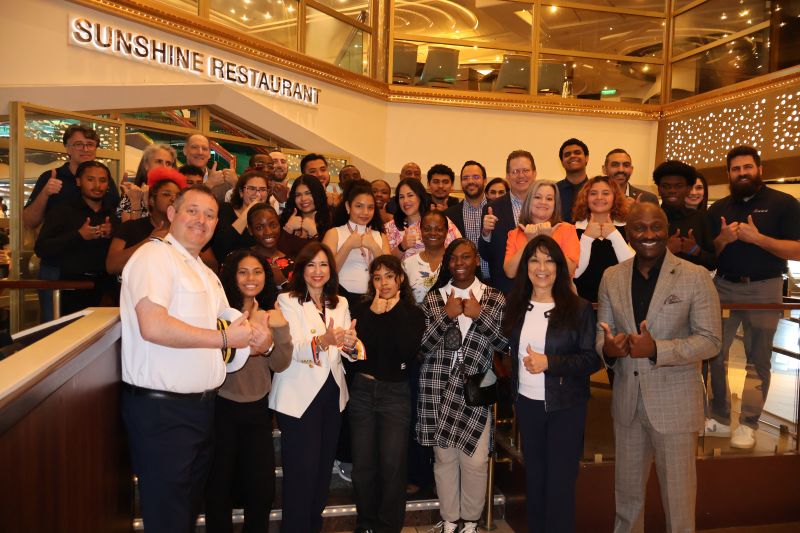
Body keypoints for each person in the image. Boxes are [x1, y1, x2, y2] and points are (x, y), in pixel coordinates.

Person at [120, 184, 274, 533]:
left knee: (186, 511)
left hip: (202, 409)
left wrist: (257, 339)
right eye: (192, 210)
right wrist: (224, 337)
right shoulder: (154, 257)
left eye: (209, 214)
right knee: (168, 515)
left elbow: (234, 338)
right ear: (172, 214)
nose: (200, 220)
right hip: (162, 411)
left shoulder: (205, 272)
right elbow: (153, 325)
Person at [596, 202, 721, 533]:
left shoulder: (695, 277)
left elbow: (711, 340)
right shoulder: (612, 277)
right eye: (639, 228)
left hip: (676, 407)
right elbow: (602, 333)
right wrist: (608, 349)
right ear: (628, 232)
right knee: (627, 501)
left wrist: (658, 350)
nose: (648, 235)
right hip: (627, 406)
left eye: (656, 227)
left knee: (679, 505)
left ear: (667, 231)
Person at [502, 235, 600, 533]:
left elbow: (590, 361)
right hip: (527, 405)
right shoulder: (516, 305)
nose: (541, 267)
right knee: (536, 480)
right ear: (526, 266)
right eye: (534, 260)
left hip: (565, 406)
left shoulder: (578, 308)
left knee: (559, 483)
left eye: (549, 260)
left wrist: (550, 363)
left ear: (560, 266)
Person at [706, 145, 800, 449]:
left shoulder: (784, 204)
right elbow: (710, 255)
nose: (742, 173)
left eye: (747, 167)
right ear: (729, 174)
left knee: (757, 360)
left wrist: (757, 239)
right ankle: (719, 417)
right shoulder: (718, 208)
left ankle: (748, 423)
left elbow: (797, 250)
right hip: (723, 287)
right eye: (735, 169)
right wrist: (724, 239)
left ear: (759, 169)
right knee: (714, 354)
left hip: (764, 287)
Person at [269, 242, 361, 533]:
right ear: (301, 270)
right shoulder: (287, 301)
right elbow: (289, 347)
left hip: (333, 394)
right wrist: (322, 341)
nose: (318, 271)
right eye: (311, 265)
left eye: (323, 265)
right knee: (300, 474)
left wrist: (351, 344)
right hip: (299, 396)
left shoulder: (341, 302)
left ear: (331, 270)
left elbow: (348, 347)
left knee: (322, 473)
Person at [417, 238, 507, 533]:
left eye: (465, 257)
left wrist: (479, 316)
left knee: (476, 459)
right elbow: (422, 347)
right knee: (444, 458)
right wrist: (446, 316)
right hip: (438, 384)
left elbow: (504, 343)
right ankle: (450, 520)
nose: (459, 263)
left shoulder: (493, 297)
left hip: (478, 384)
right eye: (453, 258)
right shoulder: (433, 299)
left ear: (476, 259)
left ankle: (470, 521)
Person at [205, 250, 292, 533]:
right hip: (221, 407)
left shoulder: (273, 316)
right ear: (232, 276)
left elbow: (280, 364)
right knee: (219, 487)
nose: (251, 278)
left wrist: (268, 343)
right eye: (243, 272)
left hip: (257, 410)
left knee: (261, 490)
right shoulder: (217, 313)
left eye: (257, 271)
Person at [349, 255, 426, 533]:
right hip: (362, 391)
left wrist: (390, 313)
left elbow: (405, 350)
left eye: (389, 276)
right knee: (363, 466)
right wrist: (374, 312)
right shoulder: (360, 309)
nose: (384, 283)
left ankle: (388, 527)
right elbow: (359, 353)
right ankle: (366, 523)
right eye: (378, 277)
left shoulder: (413, 313)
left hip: (395, 393)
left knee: (393, 466)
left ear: (400, 279)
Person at [34, 160, 119, 315]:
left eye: (103, 180)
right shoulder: (63, 210)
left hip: (105, 289)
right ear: (78, 181)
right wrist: (79, 235)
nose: (97, 185)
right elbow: (41, 248)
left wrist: (113, 234)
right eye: (90, 179)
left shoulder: (113, 213)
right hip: (70, 288)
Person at [23, 124, 120, 230]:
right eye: (79, 144)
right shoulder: (51, 177)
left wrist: (128, 199)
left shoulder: (106, 180)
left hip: (99, 245)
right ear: (68, 149)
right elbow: (28, 222)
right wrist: (45, 193)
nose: (85, 149)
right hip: (59, 244)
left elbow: (117, 218)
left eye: (90, 144)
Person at [106, 166, 186, 276]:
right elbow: (112, 266)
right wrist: (150, 241)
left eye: (177, 196)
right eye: (166, 194)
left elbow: (208, 264)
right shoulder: (130, 227)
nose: (173, 199)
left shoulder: (185, 231)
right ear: (152, 200)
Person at [323, 182, 390, 308]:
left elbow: (390, 273)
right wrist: (347, 246)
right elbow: (327, 272)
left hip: (376, 299)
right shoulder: (334, 233)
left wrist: (374, 247)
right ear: (348, 206)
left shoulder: (381, 236)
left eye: (370, 207)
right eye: (359, 206)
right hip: (341, 299)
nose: (365, 212)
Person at [480, 149, 536, 293]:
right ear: (508, 176)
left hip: (540, 287)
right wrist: (486, 233)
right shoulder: (492, 209)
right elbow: (486, 255)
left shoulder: (545, 205)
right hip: (505, 289)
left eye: (525, 170)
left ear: (534, 173)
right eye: (515, 171)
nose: (521, 175)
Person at [572, 176, 633, 302]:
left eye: (606, 193)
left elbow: (632, 269)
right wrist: (587, 238)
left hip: (619, 306)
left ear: (615, 197)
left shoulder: (629, 228)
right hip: (582, 306)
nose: (599, 197)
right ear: (586, 198)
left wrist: (614, 235)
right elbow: (574, 273)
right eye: (593, 193)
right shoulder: (572, 229)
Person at [503, 179, 580, 280]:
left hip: (560, 293)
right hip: (526, 294)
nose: (543, 202)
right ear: (528, 201)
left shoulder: (567, 229)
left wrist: (549, 240)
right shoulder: (515, 233)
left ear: (555, 204)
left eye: (549, 199)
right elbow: (510, 272)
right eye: (537, 197)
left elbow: (569, 270)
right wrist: (529, 241)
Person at [653, 161, 716, 271]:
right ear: (658, 189)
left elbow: (713, 263)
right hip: (656, 285)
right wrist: (666, 250)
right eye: (666, 186)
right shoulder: (649, 219)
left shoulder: (701, 219)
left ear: (688, 189)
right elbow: (637, 262)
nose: (672, 190)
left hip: (693, 285)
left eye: (678, 186)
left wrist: (695, 250)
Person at [385, 178, 460, 260]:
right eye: (401, 197)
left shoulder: (439, 220)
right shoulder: (390, 227)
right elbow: (386, 263)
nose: (405, 201)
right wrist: (402, 246)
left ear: (420, 197)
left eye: (410, 195)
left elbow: (459, 249)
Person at [211, 170, 270, 263]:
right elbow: (221, 246)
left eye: (262, 189)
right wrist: (250, 210)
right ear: (241, 192)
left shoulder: (268, 217)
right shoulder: (225, 209)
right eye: (251, 188)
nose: (258, 194)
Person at [444, 160, 490, 279]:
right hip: (462, 282)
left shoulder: (498, 209)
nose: (470, 181)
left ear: (485, 180)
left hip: (494, 280)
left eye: (476, 177)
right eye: (466, 178)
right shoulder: (449, 215)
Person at [118, 143, 177, 222]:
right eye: (159, 161)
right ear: (146, 165)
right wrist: (138, 202)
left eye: (168, 163)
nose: (164, 167)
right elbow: (128, 231)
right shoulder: (133, 195)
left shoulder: (178, 195)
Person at [278, 175, 332, 258]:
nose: (303, 199)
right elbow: (277, 257)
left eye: (308, 193)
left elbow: (327, 260)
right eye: (298, 195)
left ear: (318, 194)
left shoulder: (331, 221)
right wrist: (288, 229)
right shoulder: (285, 220)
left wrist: (314, 233)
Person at [403, 210, 448, 304]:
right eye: (427, 229)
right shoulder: (407, 264)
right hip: (416, 317)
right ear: (421, 231)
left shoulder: (455, 262)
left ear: (446, 231)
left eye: (439, 229)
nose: (433, 233)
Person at [248, 203, 294, 288]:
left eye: (273, 225)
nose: (268, 232)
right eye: (259, 228)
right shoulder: (240, 259)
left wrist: (282, 282)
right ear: (250, 230)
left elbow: (298, 298)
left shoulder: (293, 263)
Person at [555, 138, 589, 223]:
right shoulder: (553, 191)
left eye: (577, 153)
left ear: (587, 158)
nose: (572, 156)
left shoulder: (596, 189)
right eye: (567, 154)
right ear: (562, 162)